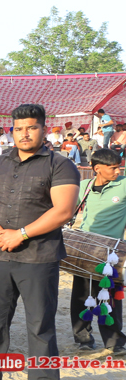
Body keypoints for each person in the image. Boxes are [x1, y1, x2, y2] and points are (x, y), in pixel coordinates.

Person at [0, 103, 80, 380]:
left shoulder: (61, 165)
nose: (24, 134)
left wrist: (22, 234)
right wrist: (0, 234)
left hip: (39, 257)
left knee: (40, 325)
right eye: (18, 129)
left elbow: (63, 211)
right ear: (12, 131)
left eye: (31, 127)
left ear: (44, 129)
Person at [69, 148, 126, 355]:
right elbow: (66, 208)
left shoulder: (124, 184)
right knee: (81, 296)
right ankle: (83, 339)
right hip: (84, 250)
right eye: (113, 168)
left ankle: (115, 343)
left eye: (119, 167)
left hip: (112, 253)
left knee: (110, 299)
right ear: (97, 168)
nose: (118, 171)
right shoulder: (84, 186)